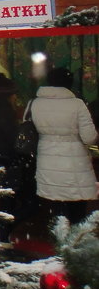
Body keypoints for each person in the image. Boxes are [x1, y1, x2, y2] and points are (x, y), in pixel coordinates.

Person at [31, 67, 98, 224]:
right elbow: (89, 138)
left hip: (47, 161)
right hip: (74, 164)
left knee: (57, 209)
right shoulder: (77, 104)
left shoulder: (36, 103)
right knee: (77, 210)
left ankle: (59, 240)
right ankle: (74, 243)